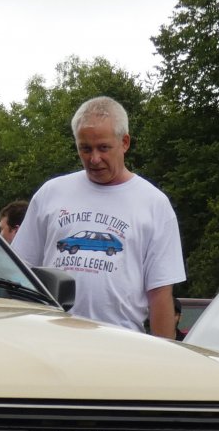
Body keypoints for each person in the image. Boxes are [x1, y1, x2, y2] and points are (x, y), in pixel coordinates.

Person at [12, 96, 185, 339]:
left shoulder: (154, 204)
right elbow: (21, 273)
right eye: (85, 149)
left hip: (119, 344)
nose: (94, 159)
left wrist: (164, 357)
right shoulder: (51, 193)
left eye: (103, 148)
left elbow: (160, 295)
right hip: (51, 338)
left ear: (124, 142)